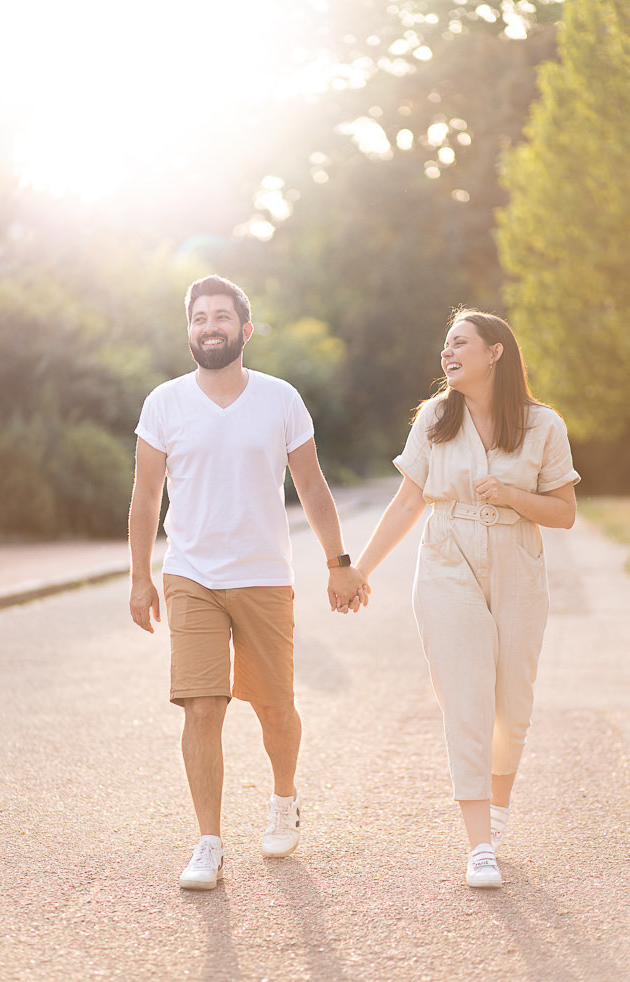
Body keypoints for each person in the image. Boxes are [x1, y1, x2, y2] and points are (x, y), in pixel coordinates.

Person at [128, 274, 369, 891]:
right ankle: (208, 841)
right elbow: (146, 493)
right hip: (191, 575)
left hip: (264, 575)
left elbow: (311, 486)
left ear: (246, 329)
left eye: (221, 317)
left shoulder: (280, 399)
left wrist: (338, 562)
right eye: (200, 318)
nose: (210, 326)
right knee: (202, 707)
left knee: (273, 707)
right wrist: (139, 577)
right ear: (190, 331)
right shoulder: (164, 403)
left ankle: (284, 798)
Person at [353, 308, 579, 888]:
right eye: (445, 346)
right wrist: (359, 570)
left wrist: (509, 495)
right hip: (447, 561)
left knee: (513, 704)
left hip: (518, 566)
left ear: (495, 352)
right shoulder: (433, 419)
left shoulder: (542, 425)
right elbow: (407, 502)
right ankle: (480, 844)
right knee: (466, 699)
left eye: (459, 343)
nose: (447, 354)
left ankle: (498, 809)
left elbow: (565, 512)